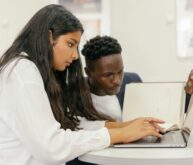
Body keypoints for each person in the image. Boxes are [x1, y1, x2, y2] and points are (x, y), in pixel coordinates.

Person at [0, 4, 165, 165]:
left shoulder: (29, 70)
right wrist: (119, 134)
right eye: (70, 44)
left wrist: (124, 126)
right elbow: (52, 147)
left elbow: (68, 124)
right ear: (50, 37)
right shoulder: (22, 72)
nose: (75, 56)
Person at [81, 35, 142, 121]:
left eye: (120, 71)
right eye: (108, 75)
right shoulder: (73, 94)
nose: (117, 81)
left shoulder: (133, 81)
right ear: (88, 72)